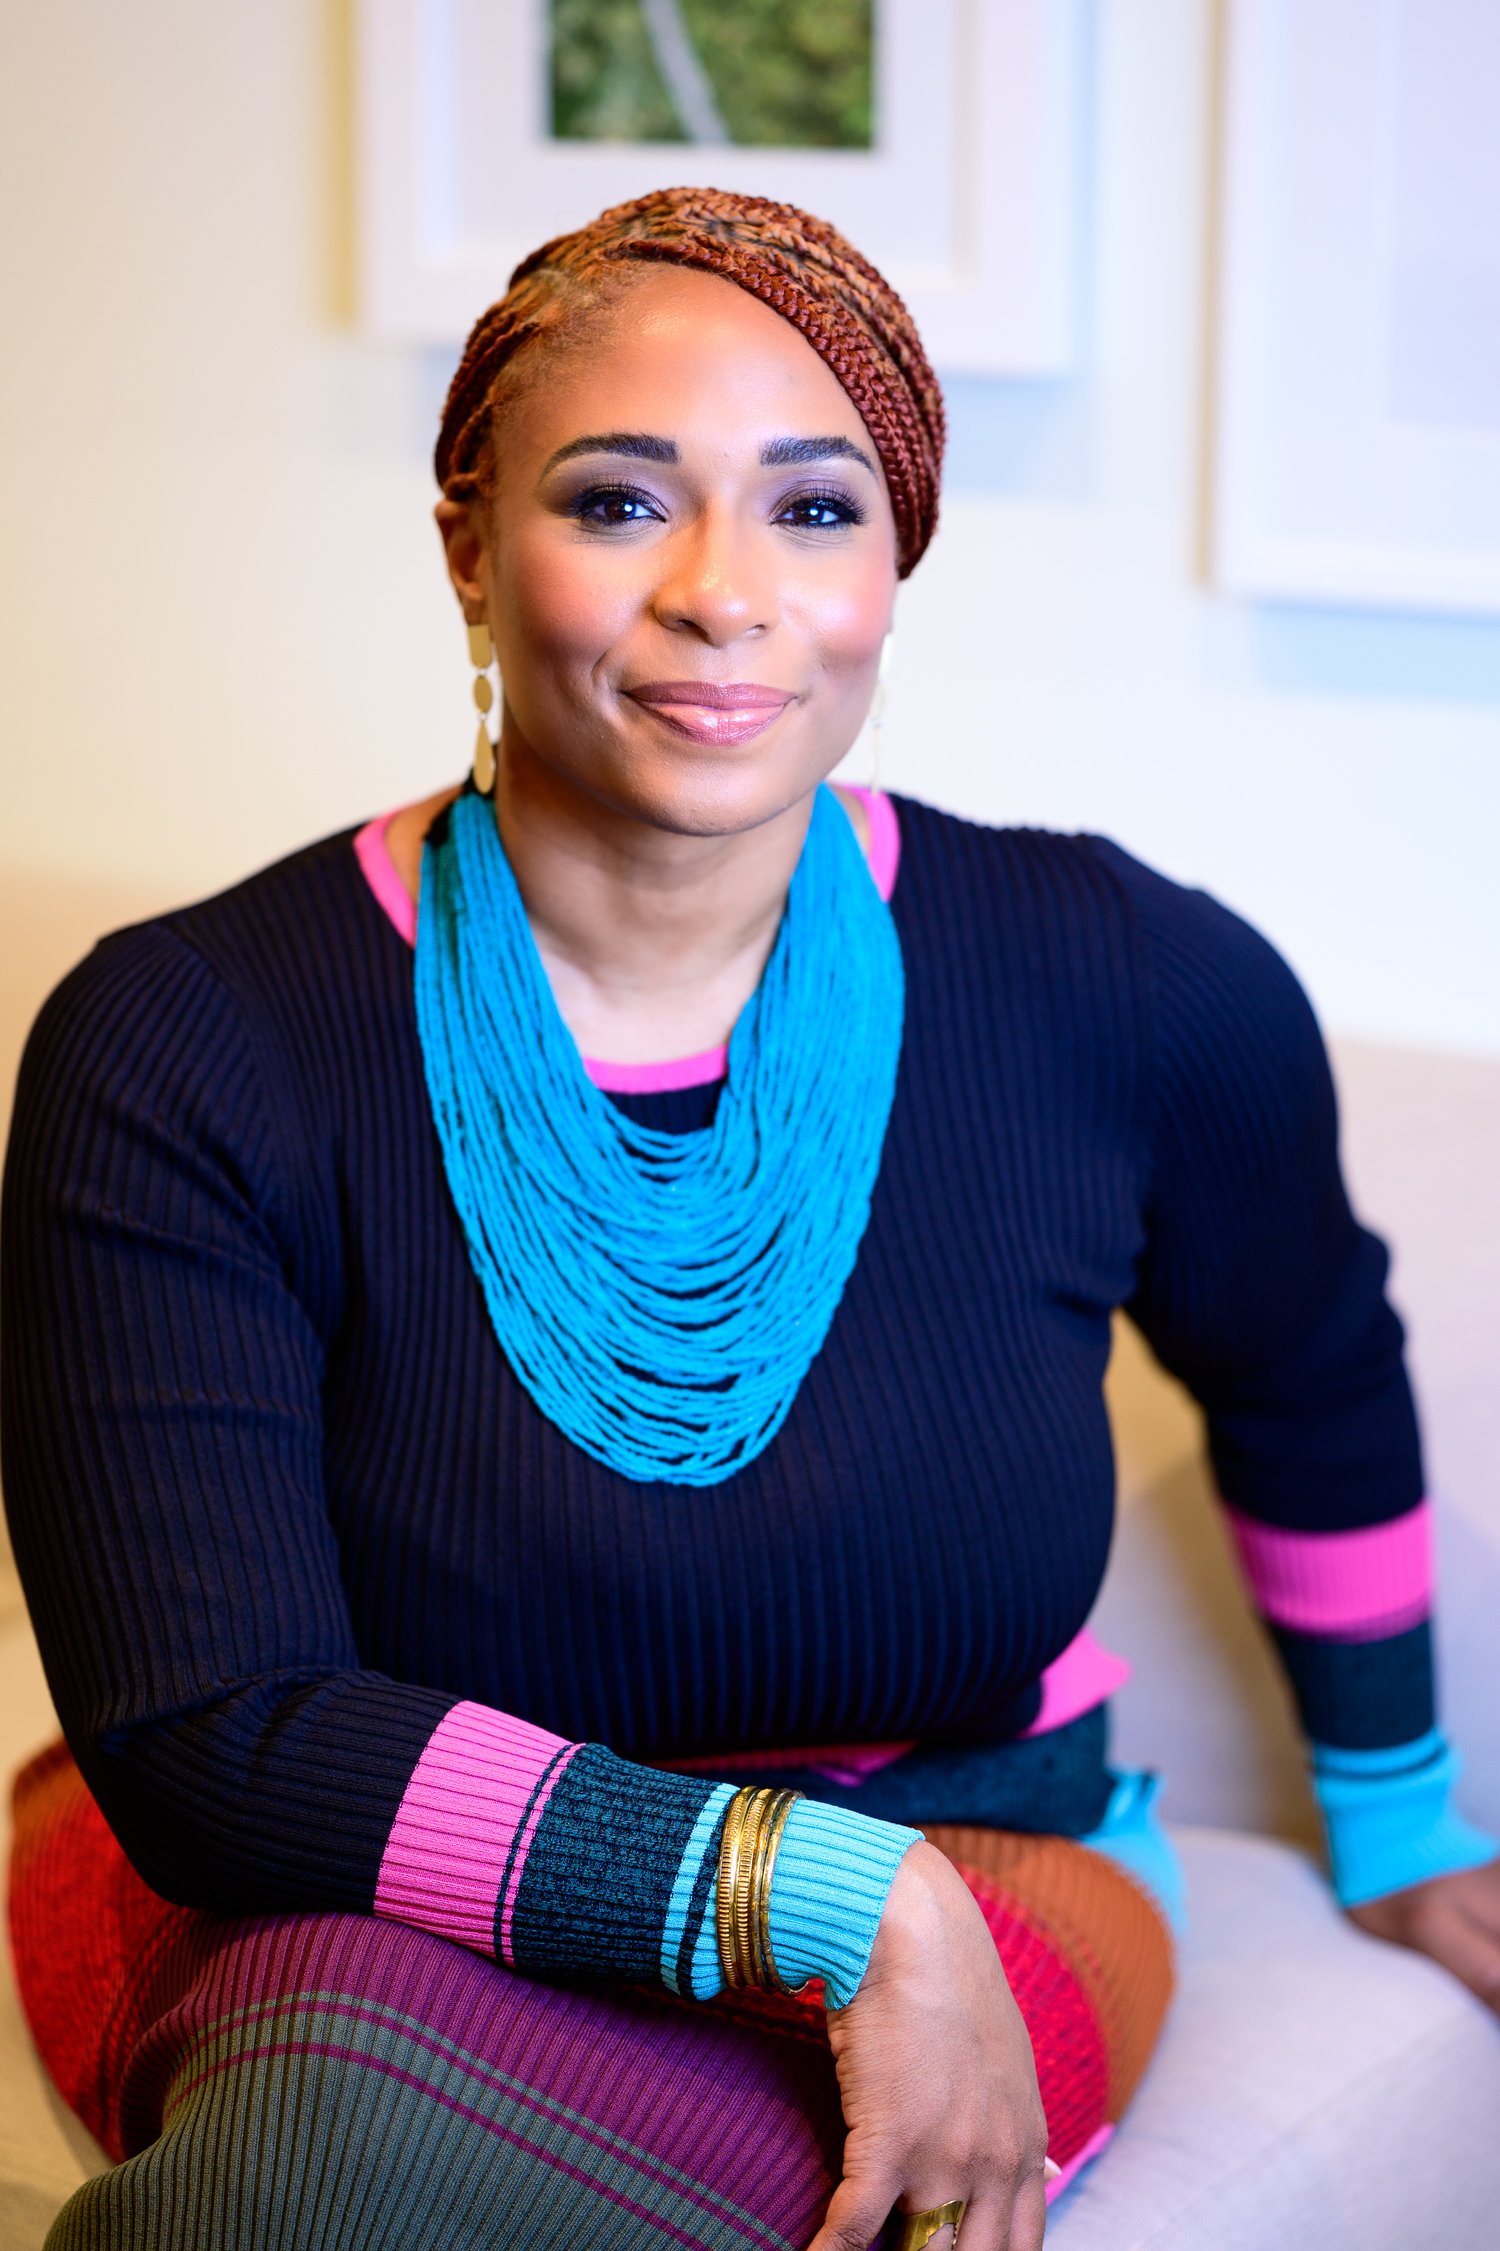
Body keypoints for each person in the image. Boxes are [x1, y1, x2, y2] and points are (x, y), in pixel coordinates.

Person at [4, 187, 1497, 2251]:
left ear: (894, 567)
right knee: (328, 2145)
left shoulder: (1128, 984)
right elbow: (213, 1733)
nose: (726, 594)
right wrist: (816, 1891)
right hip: (353, 1877)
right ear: (468, 544)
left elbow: (1309, 1367)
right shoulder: (186, 1041)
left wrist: (1401, 1817)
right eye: (620, 502)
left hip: (975, 1846)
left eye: (814, 511)